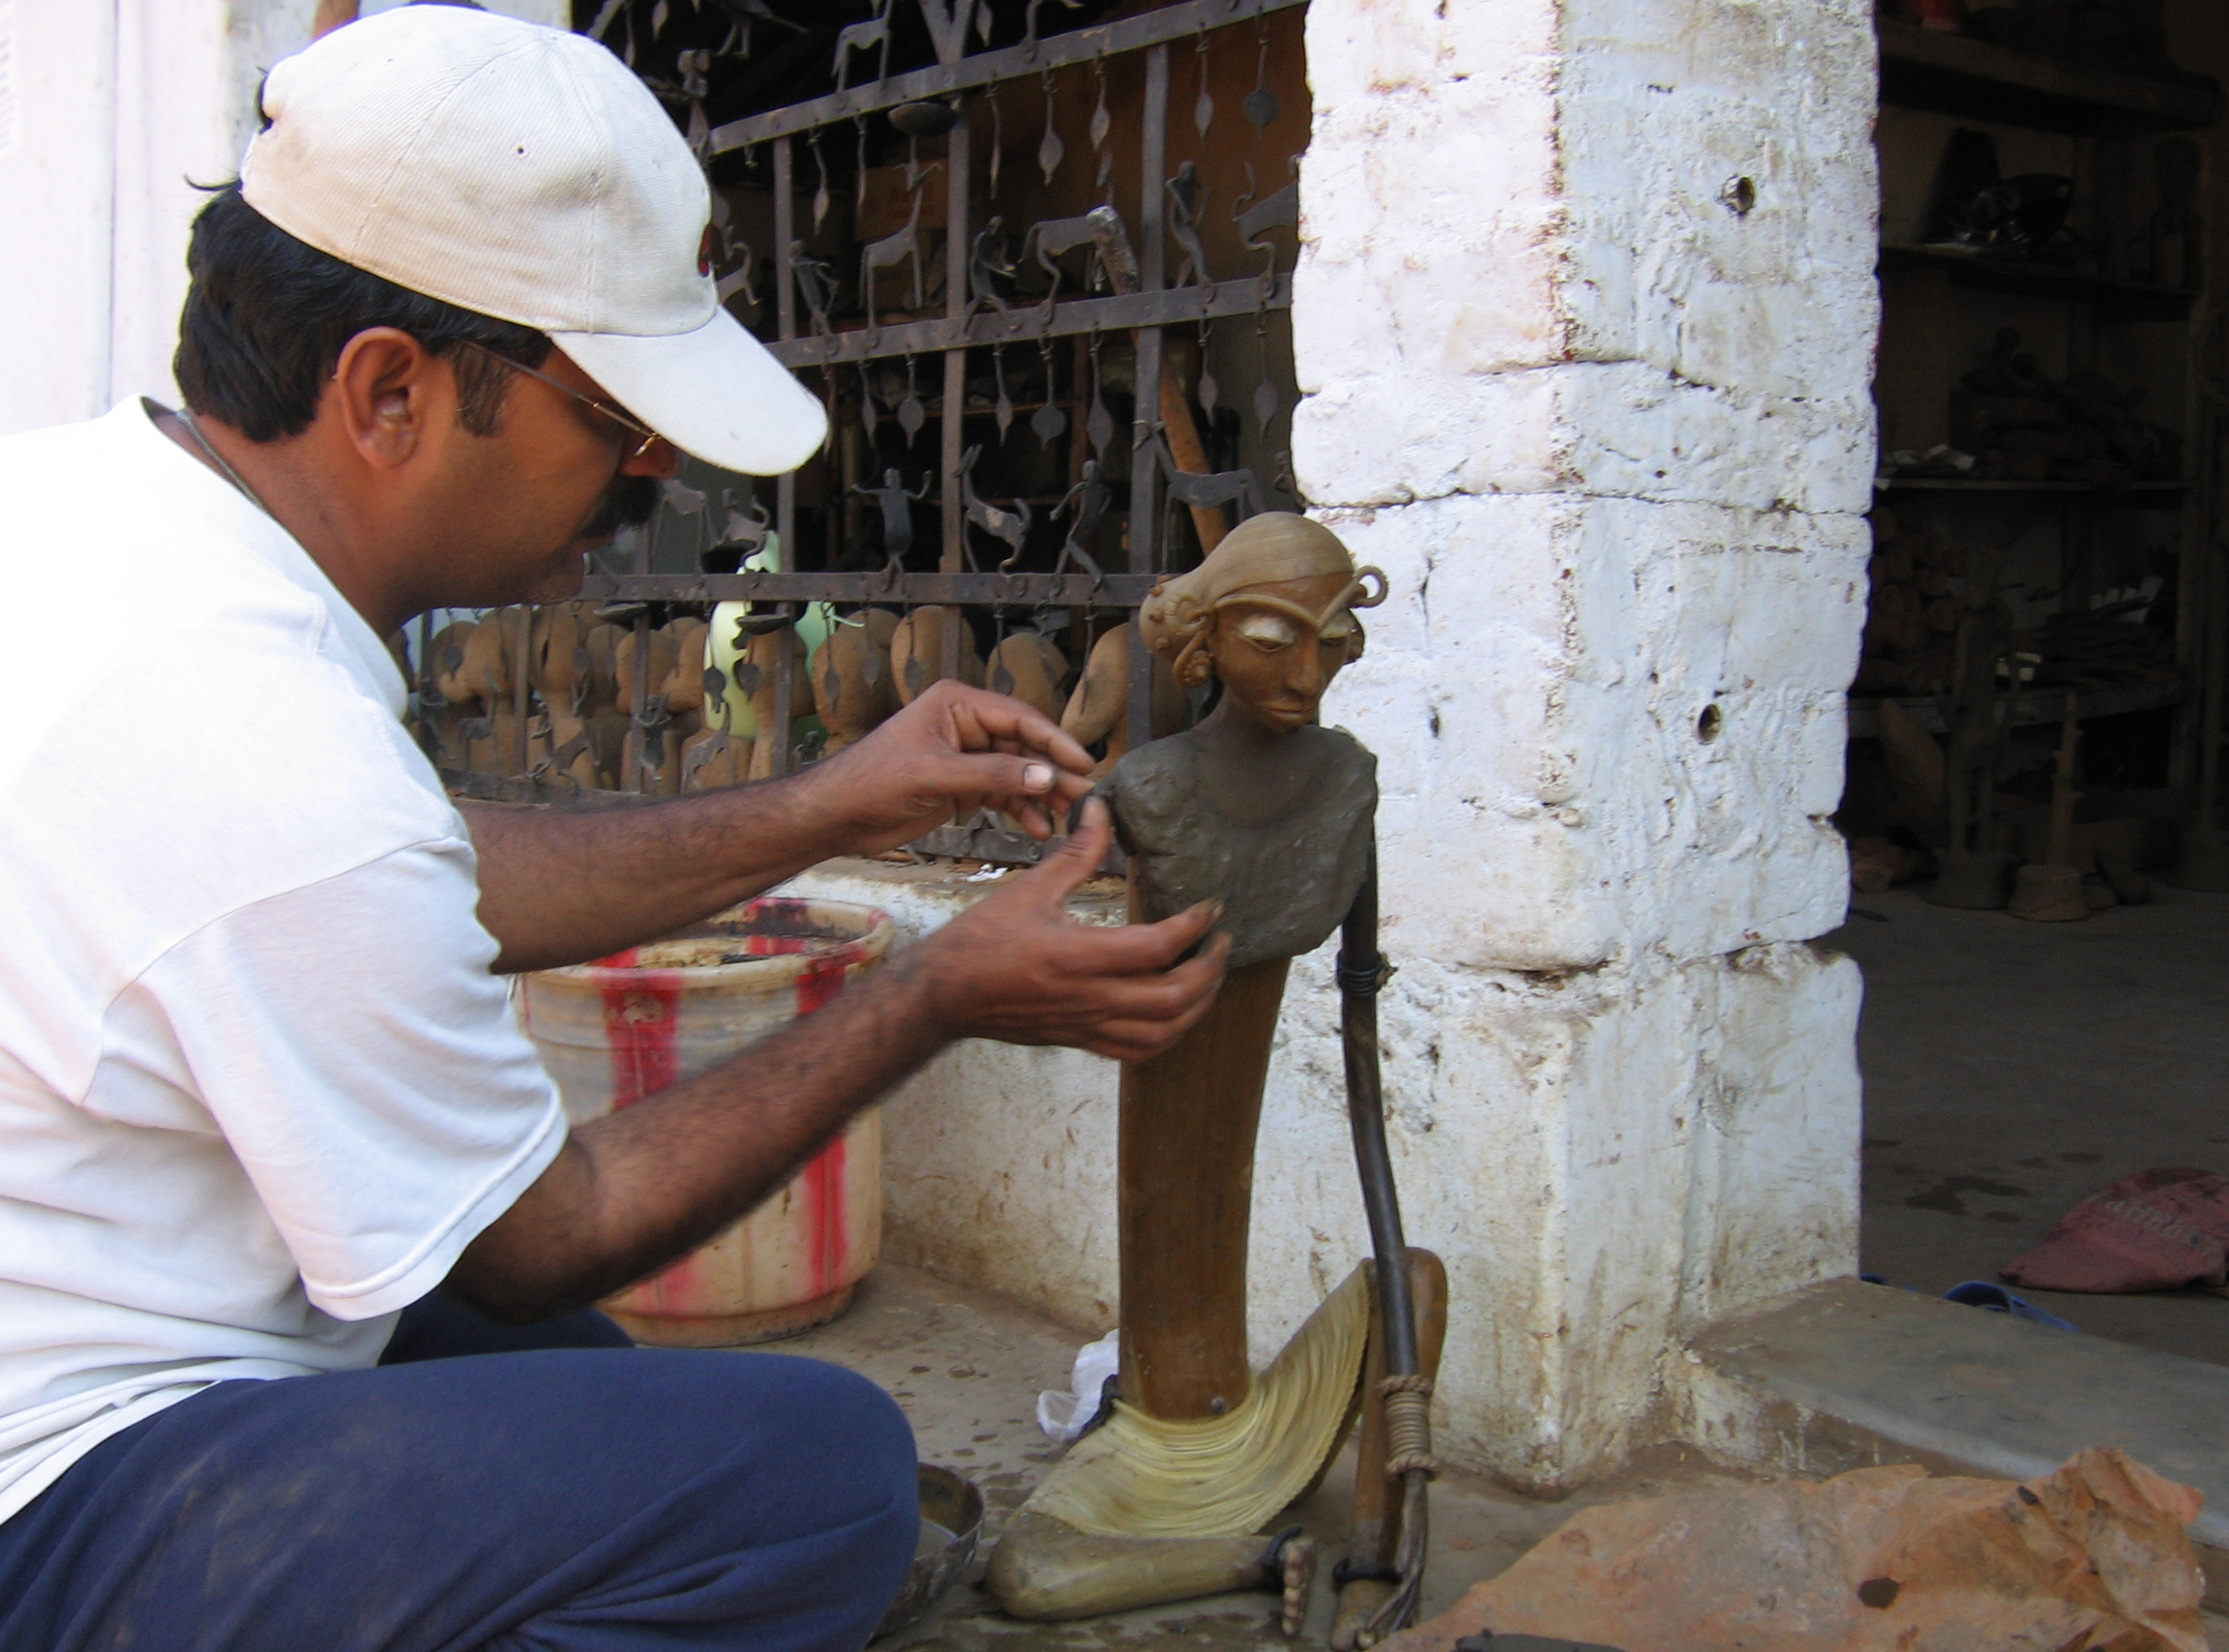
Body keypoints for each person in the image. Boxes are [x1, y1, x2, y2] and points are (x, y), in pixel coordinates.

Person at [0, 10, 1228, 1650]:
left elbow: (417, 879)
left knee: (579, 1379)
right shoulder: (263, 745)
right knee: (822, 1479)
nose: (653, 470)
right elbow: (541, 1236)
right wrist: (932, 994)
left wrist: (829, 800)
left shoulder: (92, 513)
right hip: (49, 1493)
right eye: (614, 419)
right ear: (388, 392)